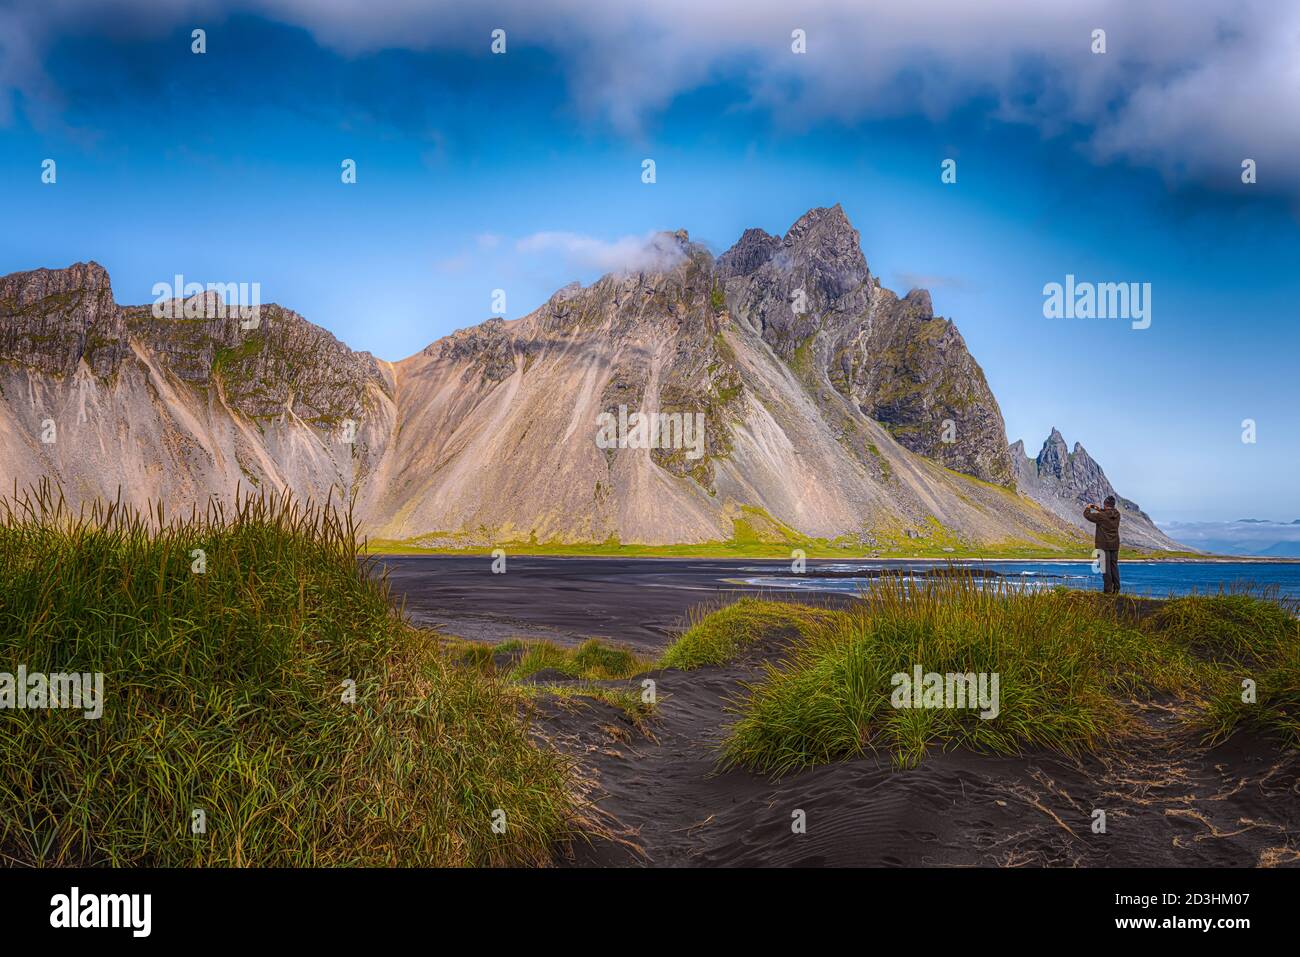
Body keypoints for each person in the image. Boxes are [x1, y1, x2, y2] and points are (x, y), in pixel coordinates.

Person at [1083, 496, 1122, 594]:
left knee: (1105, 568)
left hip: (1103, 545)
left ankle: (1107, 590)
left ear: (1105, 504)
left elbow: (1087, 515)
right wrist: (1099, 509)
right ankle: (1116, 589)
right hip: (1115, 544)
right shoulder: (1117, 514)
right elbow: (1108, 512)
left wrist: (1088, 507)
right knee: (1114, 566)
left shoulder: (1101, 516)